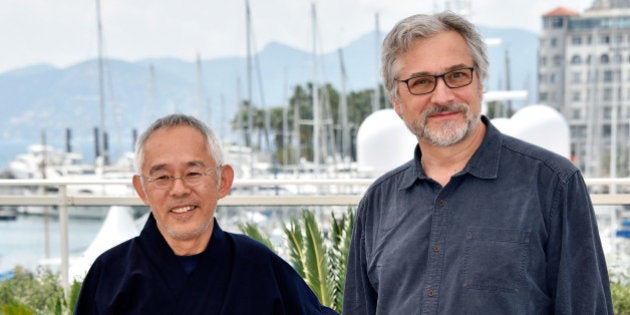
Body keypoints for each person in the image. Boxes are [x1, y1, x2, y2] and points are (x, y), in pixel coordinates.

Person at [343, 11, 613, 314]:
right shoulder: (378, 201)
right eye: (421, 82)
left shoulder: (553, 184)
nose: (442, 96)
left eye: (457, 75)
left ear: (480, 82)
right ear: (396, 101)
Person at [75, 114, 337, 314]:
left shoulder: (259, 265)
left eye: (193, 173)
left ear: (223, 180)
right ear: (141, 189)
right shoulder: (110, 274)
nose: (179, 189)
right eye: (162, 177)